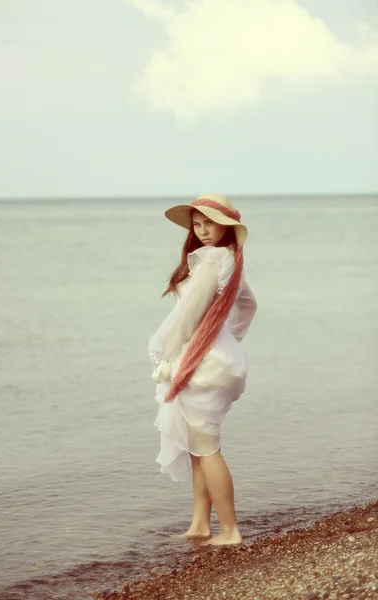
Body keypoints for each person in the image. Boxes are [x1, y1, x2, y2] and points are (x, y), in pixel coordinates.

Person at [148, 193, 258, 546]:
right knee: (198, 445)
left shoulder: (212, 259)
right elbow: (248, 306)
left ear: (227, 226)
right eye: (197, 223)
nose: (203, 229)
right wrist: (227, 339)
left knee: (207, 448)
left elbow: (187, 314)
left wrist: (160, 349)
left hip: (204, 363)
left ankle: (230, 530)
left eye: (210, 222)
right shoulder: (231, 259)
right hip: (219, 359)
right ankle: (199, 524)